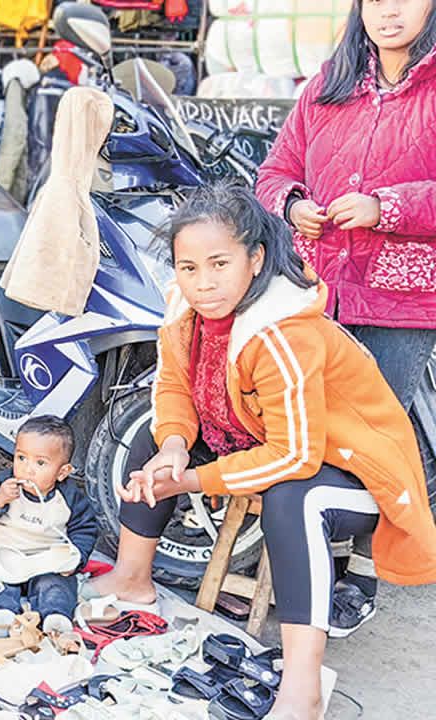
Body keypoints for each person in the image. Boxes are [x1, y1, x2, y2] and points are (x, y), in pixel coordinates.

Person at [86, 182, 436, 720]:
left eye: (219, 264)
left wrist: (196, 481)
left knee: (297, 498)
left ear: (256, 259)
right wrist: (176, 446)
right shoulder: (185, 311)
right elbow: (173, 388)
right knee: (152, 442)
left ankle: (302, 689)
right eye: (188, 267)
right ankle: (132, 581)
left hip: (361, 470)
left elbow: (296, 456)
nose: (203, 284)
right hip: (270, 440)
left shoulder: (281, 332)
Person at [256, 0, 436, 634]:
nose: (389, 12)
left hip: (401, 297)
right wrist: (293, 201)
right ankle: (324, 555)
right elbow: (273, 172)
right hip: (320, 288)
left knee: (382, 430)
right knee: (321, 426)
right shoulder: (327, 85)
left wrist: (388, 207)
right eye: (376, 0)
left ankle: (365, 566)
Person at [0, 415, 99, 631]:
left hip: (44, 560)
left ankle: (55, 618)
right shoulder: (4, 484)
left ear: (62, 472)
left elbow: (85, 529)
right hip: (5, 556)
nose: (28, 469)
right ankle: (2, 614)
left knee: (56, 587)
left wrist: (76, 557)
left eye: (40, 463)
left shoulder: (68, 498)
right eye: (21, 458)